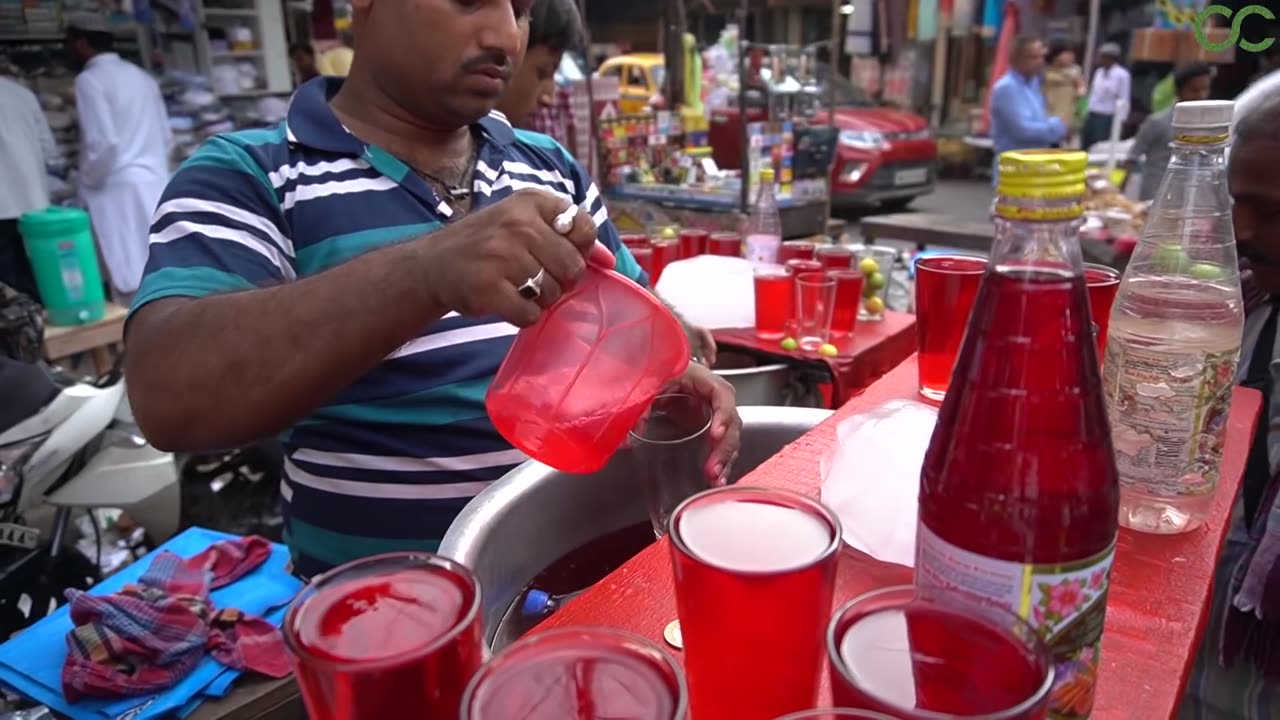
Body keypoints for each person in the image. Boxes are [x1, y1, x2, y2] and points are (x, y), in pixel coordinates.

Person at [123, 0, 742, 579]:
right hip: (387, 626)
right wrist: (426, 271)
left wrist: (674, 379)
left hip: (572, 586)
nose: (505, 36)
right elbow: (169, 395)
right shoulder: (255, 174)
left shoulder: (549, 166)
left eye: (521, 9)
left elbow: (644, 326)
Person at [495, 0, 717, 362]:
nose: (550, 94)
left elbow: (628, 287)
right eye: (543, 72)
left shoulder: (554, 165)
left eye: (516, 16)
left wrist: (676, 335)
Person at [1181, 92, 1280, 720]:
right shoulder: (1241, 307)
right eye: (1237, 204)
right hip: (1206, 660)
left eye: (1270, 212)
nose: (1242, 232)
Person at [66, 20, 171, 303]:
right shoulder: (142, 77)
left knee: (128, 276)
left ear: (81, 44)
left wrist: (86, 181)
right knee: (163, 270)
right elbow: (165, 135)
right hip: (154, 181)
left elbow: (104, 143)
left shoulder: (88, 81)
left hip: (116, 189)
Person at [0, 75, 58, 300]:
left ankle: (24, 319)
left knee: (8, 273)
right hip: (35, 201)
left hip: (3, 207)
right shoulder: (22, 94)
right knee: (40, 266)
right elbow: (49, 149)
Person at [1125, 63, 1212, 202]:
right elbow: (1132, 158)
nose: (1201, 96)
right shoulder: (1157, 122)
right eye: (1194, 90)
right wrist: (1119, 193)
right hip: (1155, 201)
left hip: (1190, 204)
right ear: (1178, 91)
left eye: (1204, 89)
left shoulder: (1207, 127)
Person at [990, 35, 1065, 181]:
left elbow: (1039, 120)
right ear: (1016, 59)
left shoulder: (1033, 85)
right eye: (1033, 57)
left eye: (1041, 57)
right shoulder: (1007, 88)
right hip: (1015, 172)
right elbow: (1022, 131)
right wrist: (1058, 126)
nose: (1040, 62)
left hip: (1034, 170)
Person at [1082, 42, 1131, 151]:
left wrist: (1121, 121)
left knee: (1098, 146)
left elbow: (1124, 99)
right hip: (1092, 113)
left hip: (1106, 116)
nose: (1100, 59)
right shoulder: (1098, 72)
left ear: (1111, 58)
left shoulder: (1122, 75)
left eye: (1103, 57)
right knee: (1085, 143)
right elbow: (1093, 93)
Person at [1041, 43, 1083, 146]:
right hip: (1048, 123)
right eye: (1067, 53)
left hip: (1067, 125)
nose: (1071, 56)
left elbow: (1079, 98)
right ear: (1056, 55)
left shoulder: (1075, 74)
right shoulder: (1044, 74)